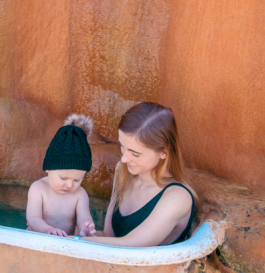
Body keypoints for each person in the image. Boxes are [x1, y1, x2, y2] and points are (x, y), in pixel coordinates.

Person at [80, 102, 195, 247]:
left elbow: (132, 246)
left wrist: (75, 241)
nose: (124, 158)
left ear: (163, 152)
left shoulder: (177, 198)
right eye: (122, 146)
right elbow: (110, 236)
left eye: (135, 153)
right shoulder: (122, 171)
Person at [26, 114, 97, 237]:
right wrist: (47, 230)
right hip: (37, 239)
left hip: (65, 243)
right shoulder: (38, 188)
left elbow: (83, 218)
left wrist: (86, 226)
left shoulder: (80, 194)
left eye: (77, 180)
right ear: (48, 168)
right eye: (63, 178)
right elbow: (33, 218)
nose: (69, 184)